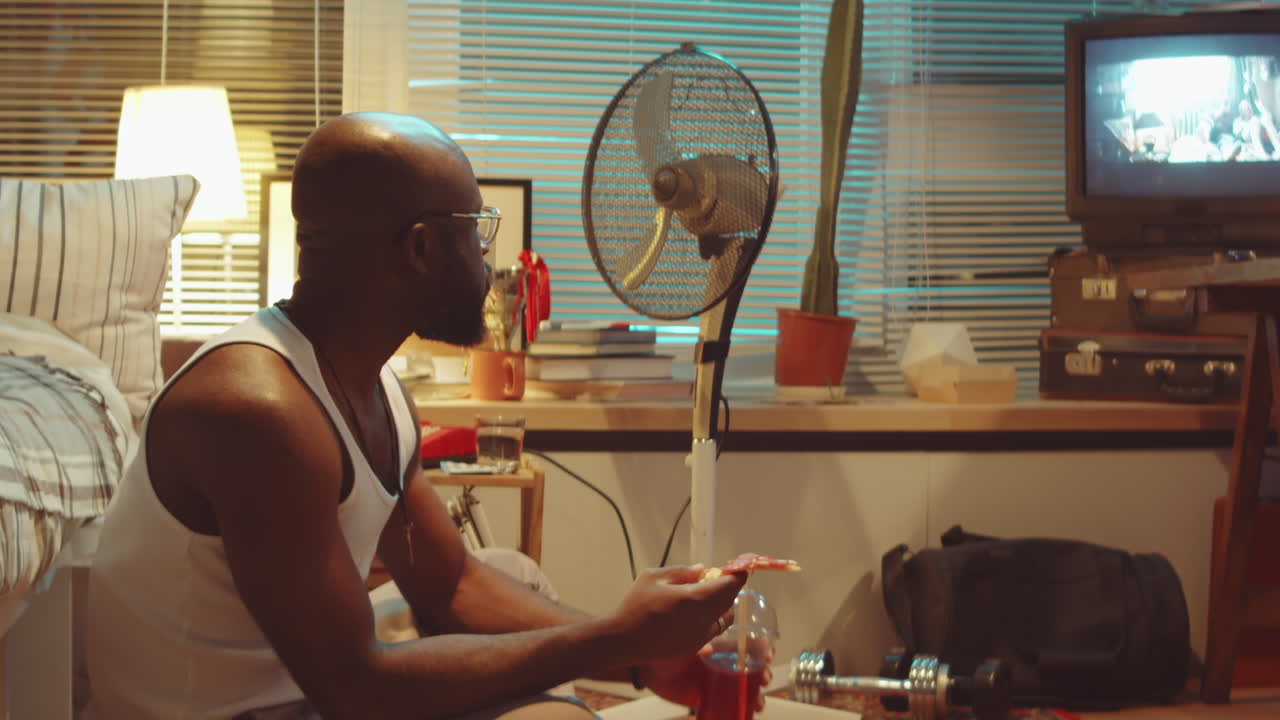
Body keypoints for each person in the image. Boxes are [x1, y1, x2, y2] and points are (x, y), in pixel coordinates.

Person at [85, 112, 750, 720]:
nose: (489, 259)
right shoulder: (257, 412)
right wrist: (618, 635)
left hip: (306, 686)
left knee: (509, 575)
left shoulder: (377, 392)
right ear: (422, 249)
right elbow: (356, 689)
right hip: (244, 710)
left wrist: (637, 658)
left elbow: (450, 584)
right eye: (477, 230)